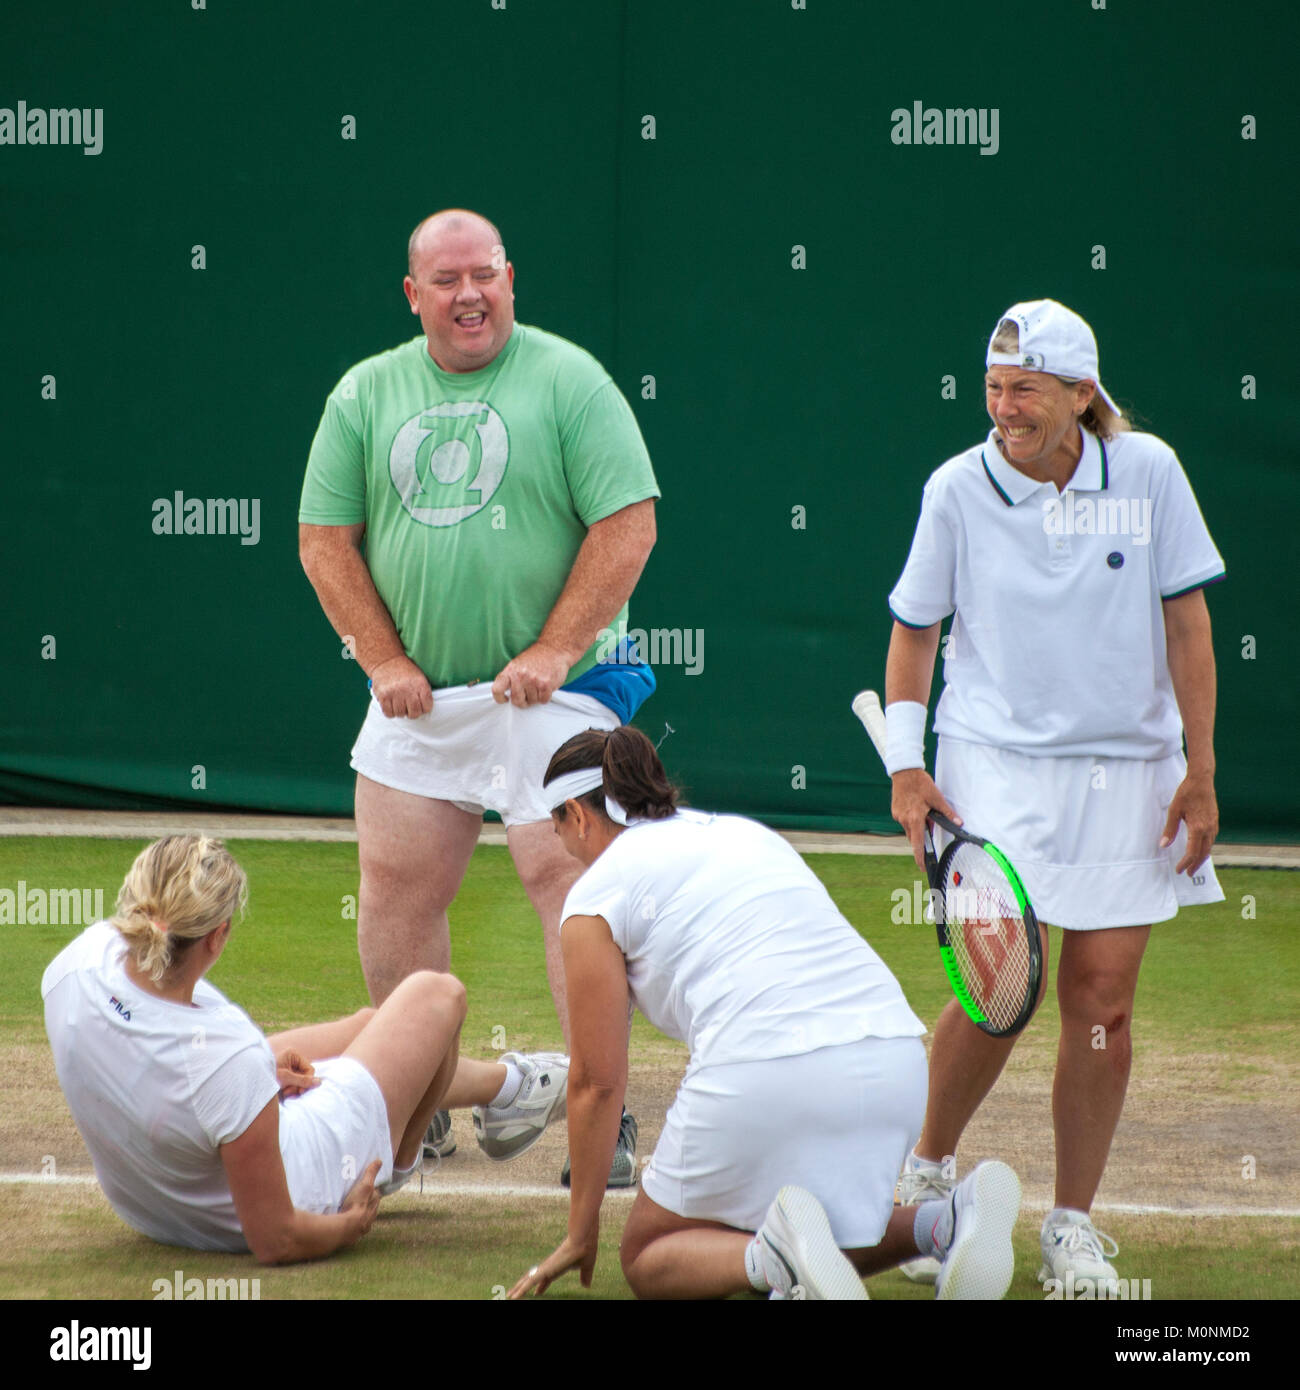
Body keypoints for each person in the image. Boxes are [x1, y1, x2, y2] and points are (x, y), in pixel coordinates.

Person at [298, 208, 659, 1183]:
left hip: (564, 689)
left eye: (485, 275)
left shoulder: (571, 379)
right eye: (447, 279)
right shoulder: (364, 392)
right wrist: (383, 661)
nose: (470, 294)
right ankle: (413, 1102)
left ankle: (605, 1112)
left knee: (569, 885)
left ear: (510, 279)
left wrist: (553, 645)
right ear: (413, 295)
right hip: (421, 701)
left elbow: (628, 528)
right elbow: (324, 541)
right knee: (395, 893)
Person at [883, 299, 1225, 1289]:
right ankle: (924, 1176)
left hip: (1130, 770)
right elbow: (914, 630)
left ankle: (1070, 1226)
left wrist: (1198, 772)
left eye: (1024, 389)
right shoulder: (957, 487)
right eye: (994, 389)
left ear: (1081, 394)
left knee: (1101, 1001)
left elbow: (1187, 627)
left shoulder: (1148, 473)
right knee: (997, 989)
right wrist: (909, 769)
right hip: (993, 759)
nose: (1004, 408)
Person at [508, 726, 1023, 1301]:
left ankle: (770, 1258)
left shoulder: (593, 897)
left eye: (557, 827)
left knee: (647, 1255)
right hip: (895, 1062)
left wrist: (580, 1231)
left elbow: (596, 1082)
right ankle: (950, 1218)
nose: (562, 847)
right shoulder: (742, 833)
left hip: (765, 1073)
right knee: (819, 1233)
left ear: (578, 815)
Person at [41, 835, 569, 1261]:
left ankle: (508, 1090)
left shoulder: (72, 967)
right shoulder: (226, 1060)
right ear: (218, 935)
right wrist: (348, 1225)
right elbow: (276, 1239)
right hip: (306, 1185)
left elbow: (159, 1070)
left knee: (370, 1024)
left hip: (150, 1209)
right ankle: (400, 1155)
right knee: (436, 997)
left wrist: (256, 1080)